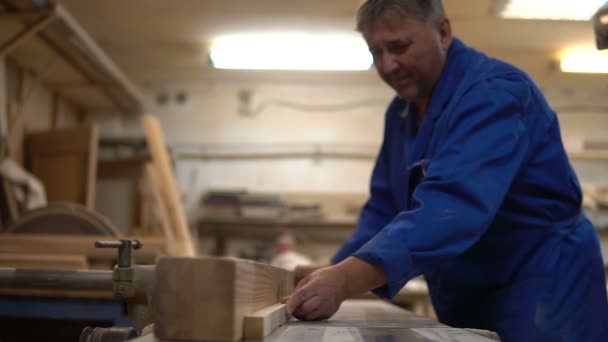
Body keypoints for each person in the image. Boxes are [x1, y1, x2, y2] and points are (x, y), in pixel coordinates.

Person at [284, 1, 608, 341]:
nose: (387, 65)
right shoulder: (401, 113)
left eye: (398, 47)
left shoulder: (495, 94)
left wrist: (348, 279)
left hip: (542, 287)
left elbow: (451, 208)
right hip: (471, 291)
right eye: (375, 52)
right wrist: (333, 271)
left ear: (443, 32)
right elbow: (385, 209)